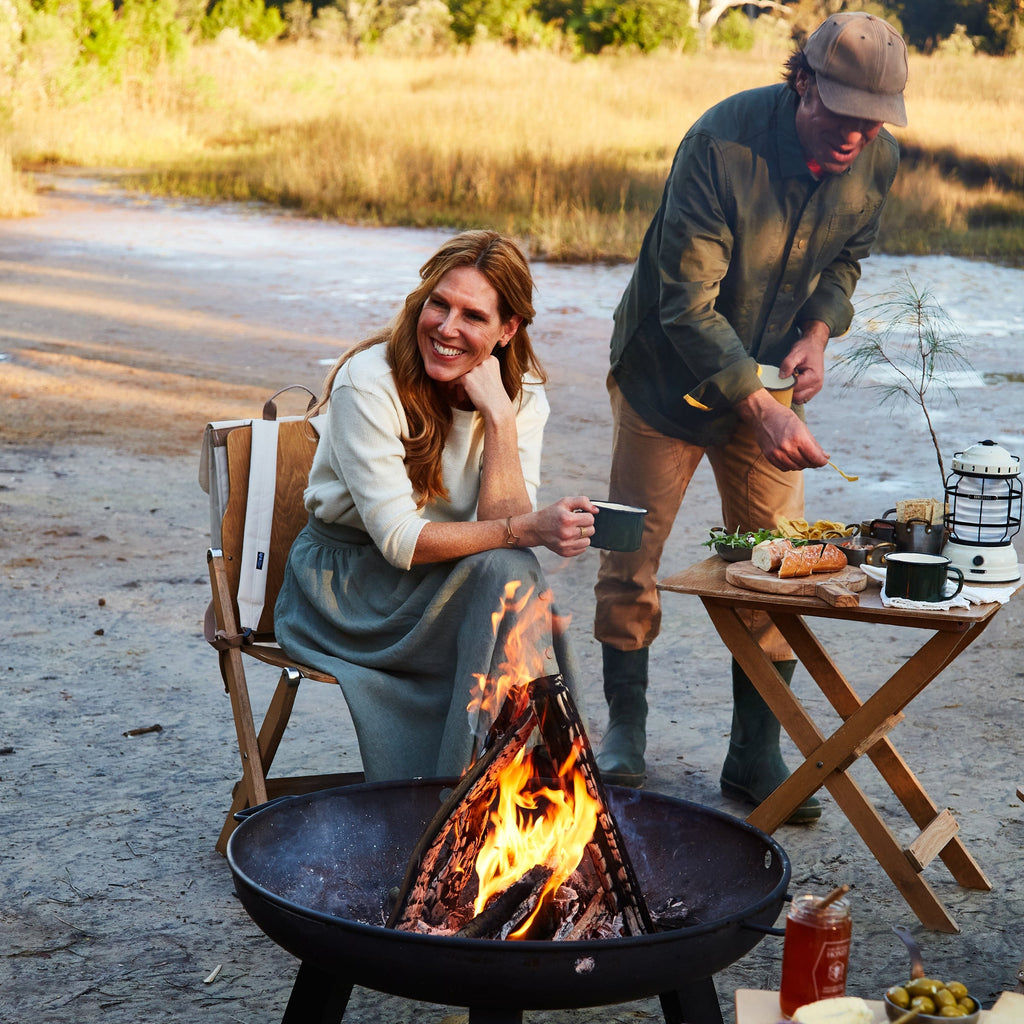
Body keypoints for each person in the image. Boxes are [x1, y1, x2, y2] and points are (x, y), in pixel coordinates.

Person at [593, 12, 908, 820]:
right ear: (801, 80)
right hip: (665, 379)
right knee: (628, 550)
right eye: (841, 115)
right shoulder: (719, 145)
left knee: (776, 562)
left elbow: (846, 261)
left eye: (871, 123)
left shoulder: (880, 161)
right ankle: (625, 727)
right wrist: (762, 409)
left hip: (769, 383)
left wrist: (816, 333)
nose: (855, 137)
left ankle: (754, 750)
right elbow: (685, 303)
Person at [275, 230, 599, 783]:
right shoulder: (369, 382)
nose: (447, 328)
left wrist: (497, 414)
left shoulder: (520, 394)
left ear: (507, 330)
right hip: (350, 593)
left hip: (446, 585)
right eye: (439, 304)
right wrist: (528, 527)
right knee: (512, 569)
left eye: (473, 316)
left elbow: (505, 526)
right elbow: (403, 541)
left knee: (511, 570)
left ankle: (491, 792)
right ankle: (507, 787)